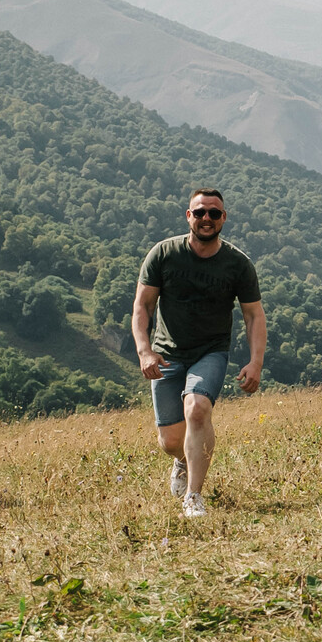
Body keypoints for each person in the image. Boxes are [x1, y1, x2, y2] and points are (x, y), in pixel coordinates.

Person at [132, 189, 265, 518]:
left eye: (214, 213)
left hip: (211, 351)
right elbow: (142, 306)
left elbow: (254, 315)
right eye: (200, 212)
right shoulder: (163, 254)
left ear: (224, 218)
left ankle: (194, 496)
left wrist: (255, 361)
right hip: (166, 355)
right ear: (188, 215)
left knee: (197, 408)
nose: (207, 218)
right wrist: (145, 351)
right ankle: (180, 461)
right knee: (170, 441)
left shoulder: (238, 264)